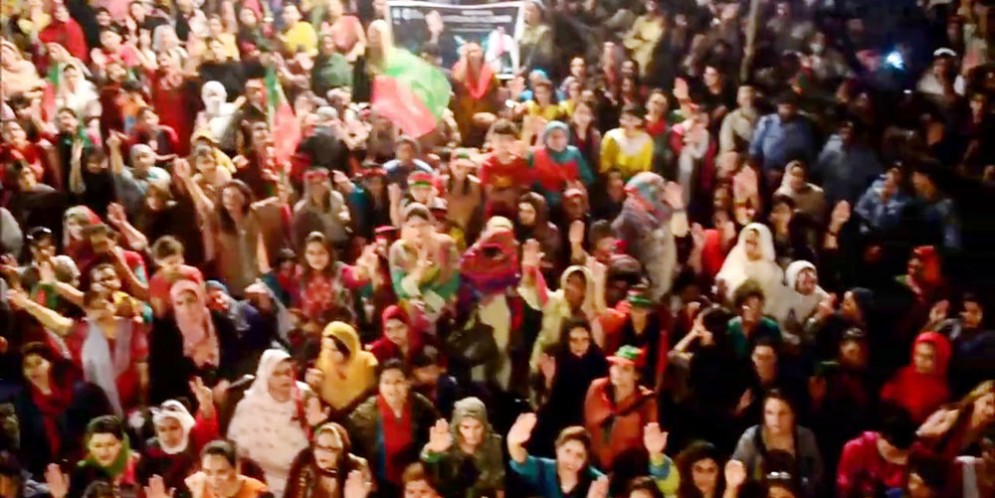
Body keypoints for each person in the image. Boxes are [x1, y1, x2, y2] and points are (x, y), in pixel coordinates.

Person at [227, 349, 322, 497]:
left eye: (288, 372)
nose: (285, 378)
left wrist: (316, 425)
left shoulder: (304, 396)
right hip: (262, 481)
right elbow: (238, 451)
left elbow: (320, 436)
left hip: (301, 480)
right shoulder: (250, 405)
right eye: (277, 374)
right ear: (266, 376)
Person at [347, 359, 439, 495]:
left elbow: (435, 442)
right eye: (387, 382)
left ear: (407, 382)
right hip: (378, 485)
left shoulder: (423, 408)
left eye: (398, 382)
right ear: (379, 385)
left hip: (415, 485)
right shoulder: (363, 415)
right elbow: (354, 451)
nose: (393, 388)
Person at [420, 397, 505, 498]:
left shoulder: (495, 445)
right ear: (457, 426)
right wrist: (433, 451)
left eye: (477, 427)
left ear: (484, 425)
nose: (471, 434)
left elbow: (500, 485)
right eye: (466, 427)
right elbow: (432, 478)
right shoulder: (446, 444)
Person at [284, 422, 371, 498]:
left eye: (330, 449)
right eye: (319, 447)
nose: (323, 453)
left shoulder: (355, 470)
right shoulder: (304, 463)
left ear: (341, 452)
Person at [183, 440, 272, 498]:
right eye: (208, 472)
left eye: (221, 472)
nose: (214, 479)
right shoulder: (196, 487)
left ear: (236, 469)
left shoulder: (259, 494)